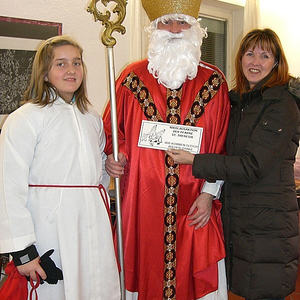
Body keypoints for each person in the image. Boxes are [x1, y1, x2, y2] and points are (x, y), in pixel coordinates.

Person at [103, 0, 231, 299]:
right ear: (155, 29)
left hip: (194, 203)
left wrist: (209, 195)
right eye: (166, 23)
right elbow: (110, 131)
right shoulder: (130, 78)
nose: (174, 29)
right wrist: (114, 155)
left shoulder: (214, 82)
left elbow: (222, 144)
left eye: (182, 22)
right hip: (141, 202)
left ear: (195, 30)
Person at [167, 28, 300, 300]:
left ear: (276, 62)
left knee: (264, 291)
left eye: (264, 56)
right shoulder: (238, 100)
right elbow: (221, 146)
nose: (255, 62)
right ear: (240, 58)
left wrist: (194, 160)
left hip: (268, 225)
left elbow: (251, 166)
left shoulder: (282, 104)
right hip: (241, 219)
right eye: (249, 54)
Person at [0, 35, 120, 300]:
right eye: (61, 64)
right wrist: (23, 251)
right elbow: (8, 186)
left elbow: (94, 169)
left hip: (90, 222)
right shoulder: (25, 118)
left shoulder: (92, 117)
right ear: (44, 73)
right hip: (48, 226)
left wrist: (107, 165)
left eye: (77, 63)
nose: (71, 70)